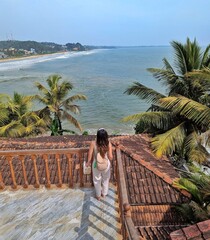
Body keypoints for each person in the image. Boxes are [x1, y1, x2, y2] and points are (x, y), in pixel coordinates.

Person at [86, 128, 113, 201]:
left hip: (96, 164)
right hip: (106, 164)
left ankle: (98, 196)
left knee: (97, 180)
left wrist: (88, 162)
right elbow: (110, 157)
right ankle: (104, 194)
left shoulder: (93, 143)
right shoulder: (108, 143)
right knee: (105, 179)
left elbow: (90, 155)